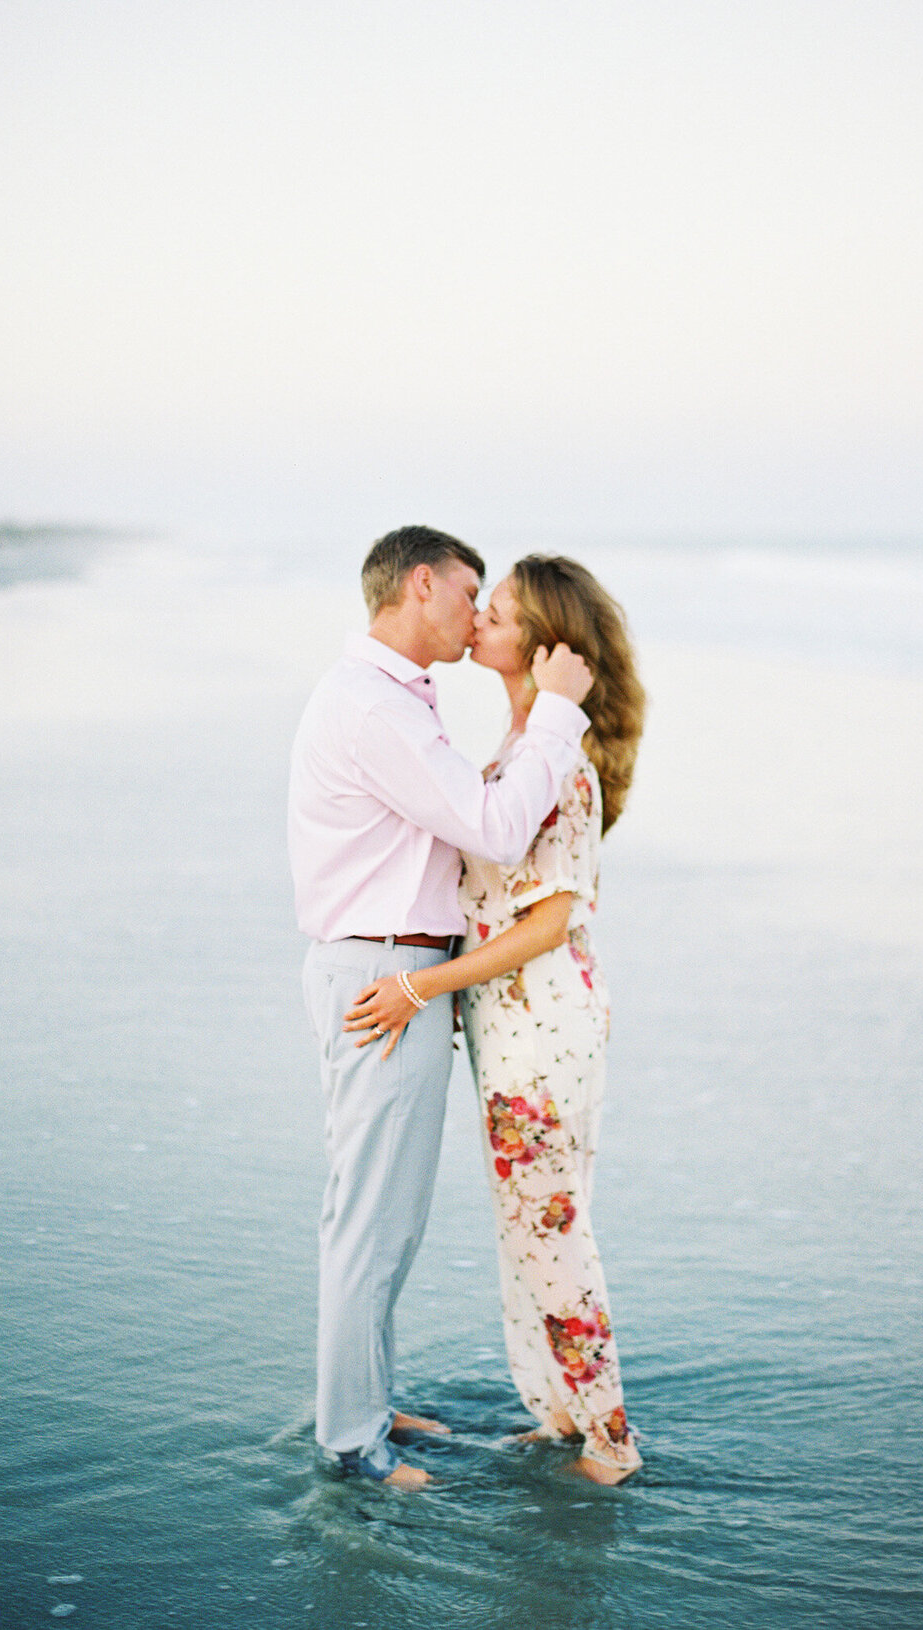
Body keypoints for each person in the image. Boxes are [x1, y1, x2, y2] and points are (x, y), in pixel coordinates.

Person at [288, 526, 593, 1491]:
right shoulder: (376, 709)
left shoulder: (386, 701)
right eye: (468, 593)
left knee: (387, 1220)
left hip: (392, 975)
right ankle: (351, 1443)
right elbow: (498, 826)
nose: (477, 613)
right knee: (371, 1223)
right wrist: (556, 718)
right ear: (420, 586)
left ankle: (366, 1401)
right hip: (386, 981)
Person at [344, 555, 647, 1484]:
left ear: (543, 642)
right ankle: (558, 1412)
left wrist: (422, 988)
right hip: (516, 1026)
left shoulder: (564, 765)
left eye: (500, 609)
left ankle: (610, 1439)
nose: (479, 617)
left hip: (542, 1025)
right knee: (528, 1225)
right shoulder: (522, 752)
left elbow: (549, 923)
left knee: (550, 1227)